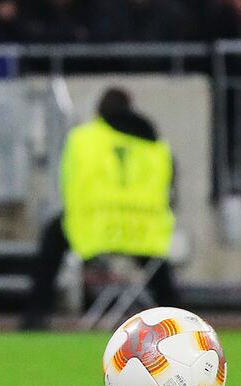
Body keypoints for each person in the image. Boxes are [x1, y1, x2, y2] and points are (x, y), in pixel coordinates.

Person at [21, 87, 179, 331]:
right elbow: (170, 189)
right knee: (159, 273)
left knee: (52, 239)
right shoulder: (156, 144)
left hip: (96, 228)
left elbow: (68, 183)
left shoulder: (82, 138)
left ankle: (36, 315)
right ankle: (178, 320)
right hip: (143, 230)